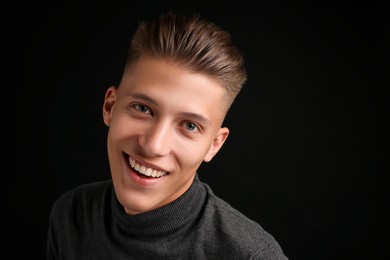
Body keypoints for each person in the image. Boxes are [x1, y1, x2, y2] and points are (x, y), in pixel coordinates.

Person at [46, 11, 288, 259]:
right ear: (110, 106)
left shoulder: (252, 255)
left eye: (190, 126)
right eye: (143, 109)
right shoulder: (71, 216)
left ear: (214, 145)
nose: (153, 145)